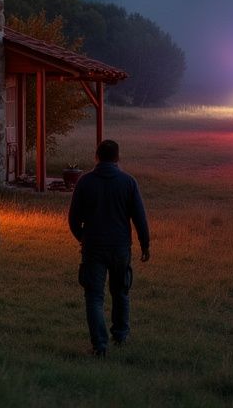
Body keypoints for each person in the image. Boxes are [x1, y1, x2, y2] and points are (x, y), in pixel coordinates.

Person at [67, 138, 150, 358]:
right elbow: (139, 218)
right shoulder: (128, 182)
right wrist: (145, 244)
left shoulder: (85, 182)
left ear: (97, 156)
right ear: (117, 157)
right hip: (121, 246)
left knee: (94, 297)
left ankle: (100, 345)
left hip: (93, 246)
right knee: (121, 291)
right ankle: (121, 335)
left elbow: (73, 218)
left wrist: (83, 238)